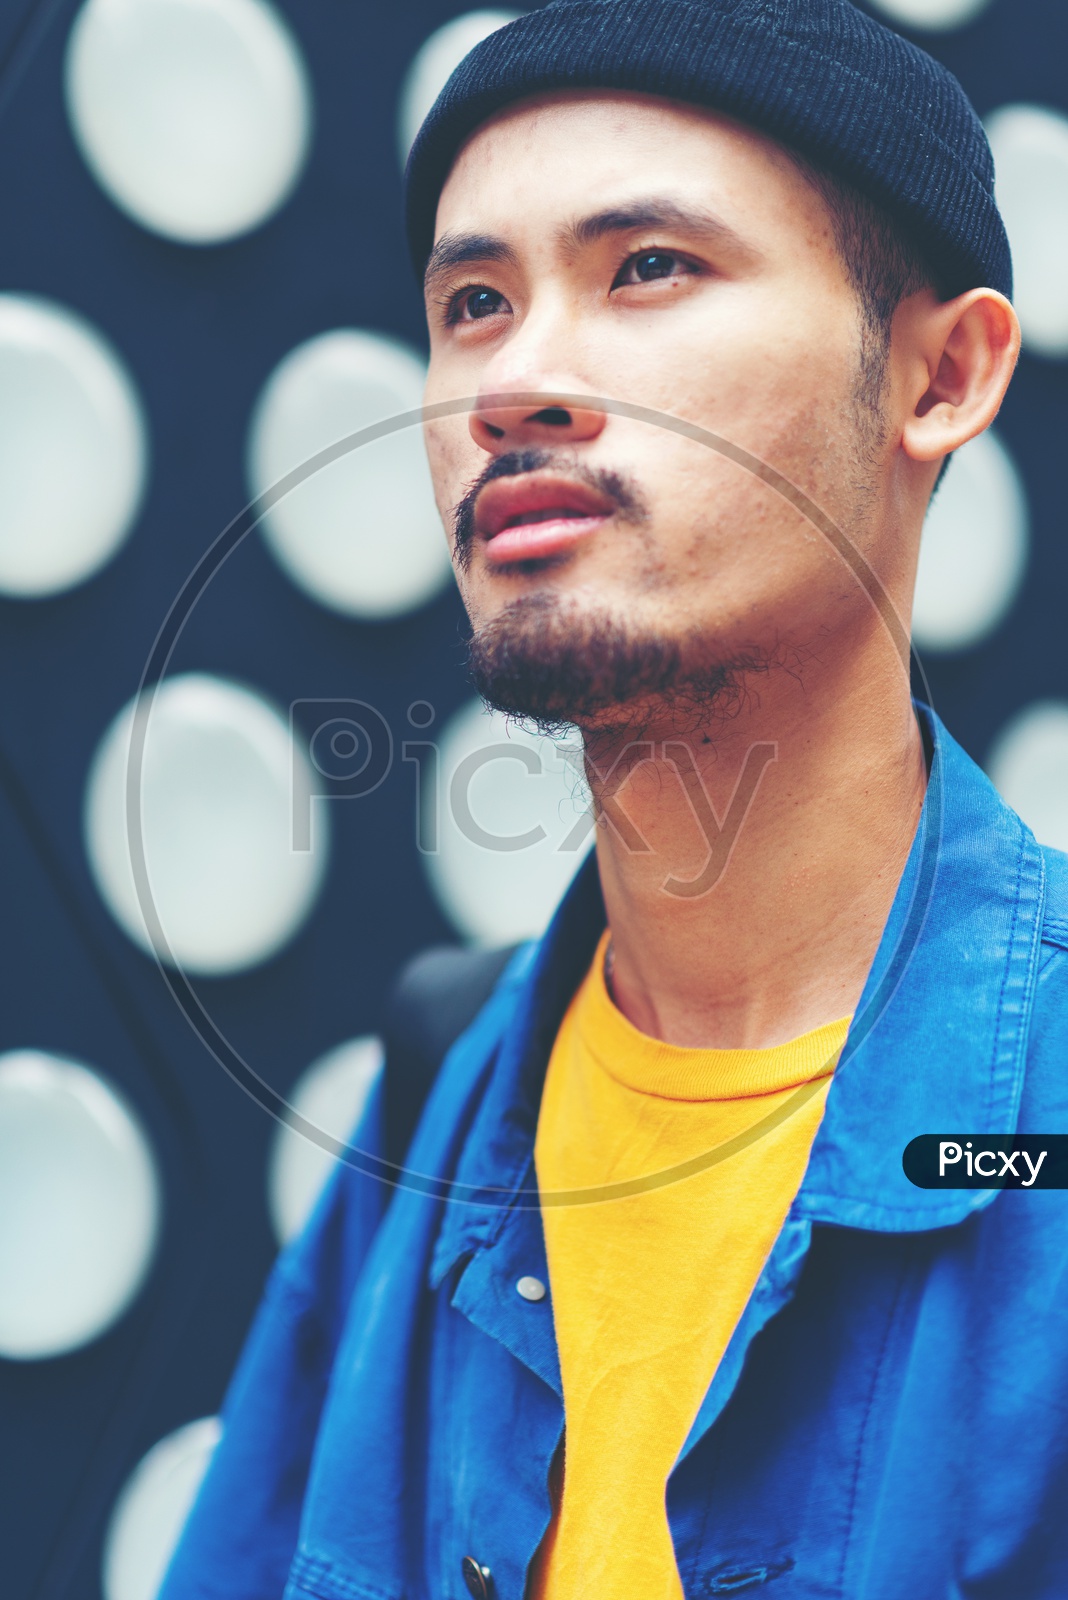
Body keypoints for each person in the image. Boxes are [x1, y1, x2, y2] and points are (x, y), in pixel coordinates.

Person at [161, 2, 1068, 1597]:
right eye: (474, 301)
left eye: (647, 268)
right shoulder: (435, 1103)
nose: (516, 378)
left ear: (942, 374)